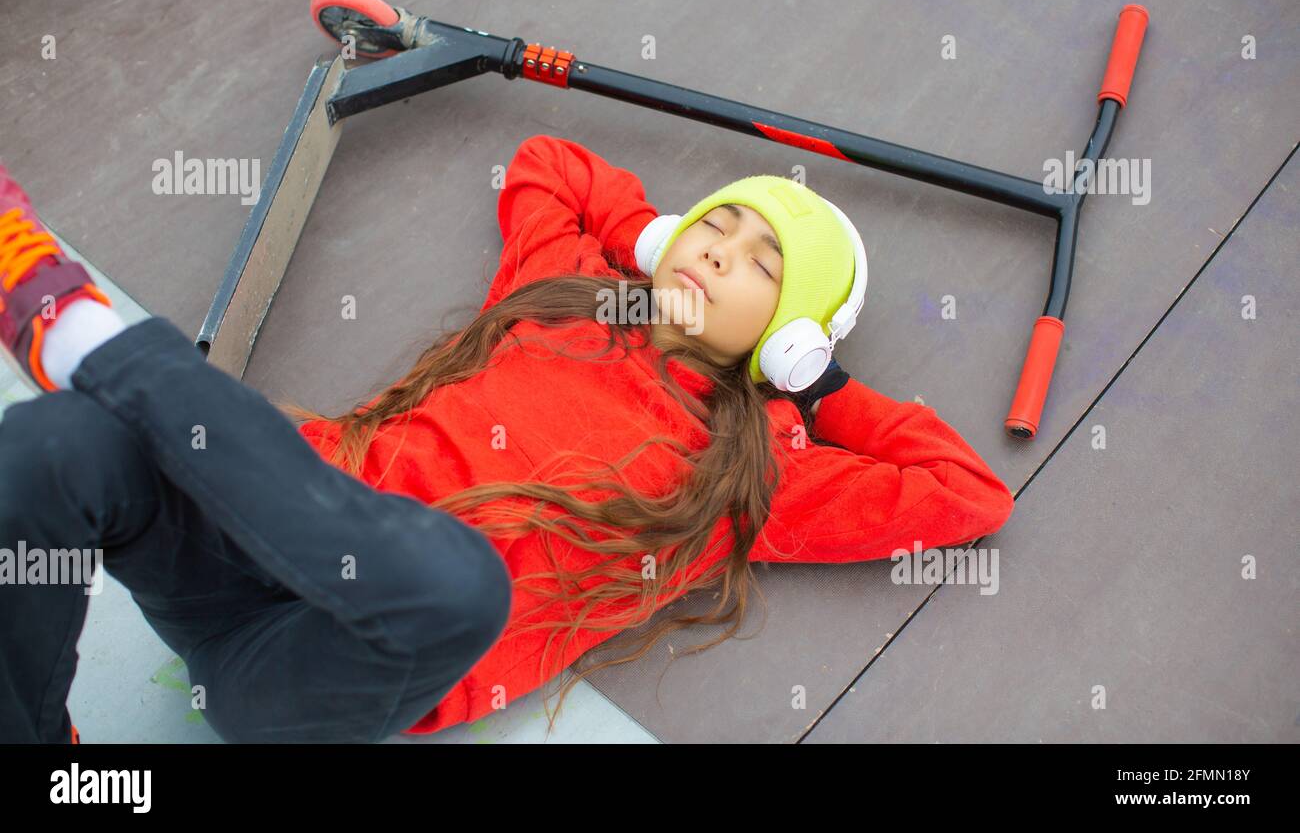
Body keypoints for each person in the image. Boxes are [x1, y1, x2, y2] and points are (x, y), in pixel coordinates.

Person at [0, 135, 1015, 743]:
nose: (718, 247)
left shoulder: (754, 472)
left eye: (762, 261)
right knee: (50, 445)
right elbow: (550, 164)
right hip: (242, 533)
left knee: (458, 582)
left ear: (788, 330)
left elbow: (965, 493)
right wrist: (646, 234)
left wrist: (821, 383)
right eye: (718, 223)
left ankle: (72, 323)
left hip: (314, 665)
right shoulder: (563, 288)